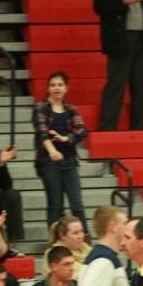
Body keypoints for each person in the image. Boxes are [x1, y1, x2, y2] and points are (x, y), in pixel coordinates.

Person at [94, 0, 143, 131]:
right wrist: (123, 0)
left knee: (140, 87)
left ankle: (139, 130)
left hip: (141, 37)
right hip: (120, 38)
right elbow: (99, 6)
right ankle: (107, 131)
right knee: (116, 86)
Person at [32, 72, 89, 233]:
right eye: (53, 85)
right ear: (48, 88)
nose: (56, 88)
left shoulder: (71, 109)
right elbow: (42, 131)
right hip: (49, 161)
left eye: (60, 85)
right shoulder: (40, 108)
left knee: (77, 204)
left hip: (70, 160)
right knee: (55, 205)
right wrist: (52, 151)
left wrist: (66, 139)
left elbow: (83, 130)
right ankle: (55, 243)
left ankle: (84, 240)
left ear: (66, 88)